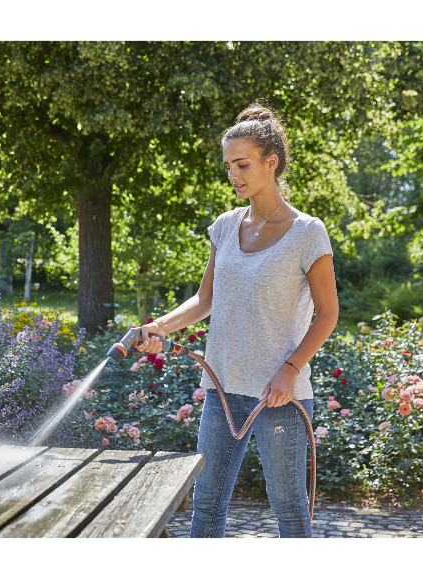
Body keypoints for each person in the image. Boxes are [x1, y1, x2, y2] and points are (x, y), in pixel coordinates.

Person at [137, 103, 338, 539]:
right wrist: (159, 327)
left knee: (288, 507)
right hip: (222, 388)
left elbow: (328, 314)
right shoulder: (226, 226)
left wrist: (290, 371)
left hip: (278, 394)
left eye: (242, 164)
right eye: (228, 165)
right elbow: (203, 300)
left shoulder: (308, 232)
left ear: (272, 162)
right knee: (207, 502)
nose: (233, 174)